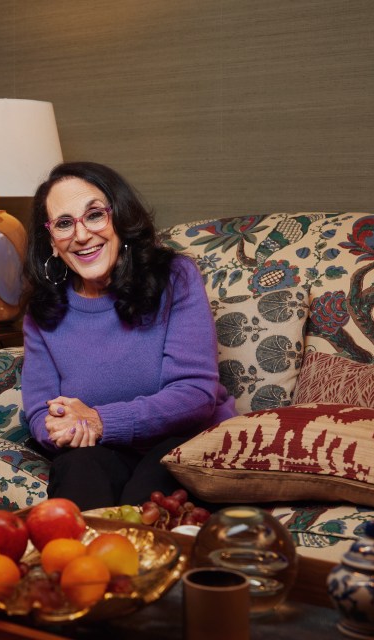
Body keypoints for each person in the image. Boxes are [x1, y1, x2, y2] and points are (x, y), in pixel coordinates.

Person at [21, 161, 235, 511]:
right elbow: (38, 411)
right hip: (102, 452)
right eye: (63, 223)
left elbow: (196, 394)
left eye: (94, 215)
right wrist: (66, 428)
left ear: (119, 217)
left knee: (150, 496)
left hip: (185, 442)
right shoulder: (43, 310)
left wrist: (100, 420)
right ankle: (80, 561)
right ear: (52, 242)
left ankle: (143, 562)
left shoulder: (174, 277)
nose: (81, 235)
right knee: (77, 469)